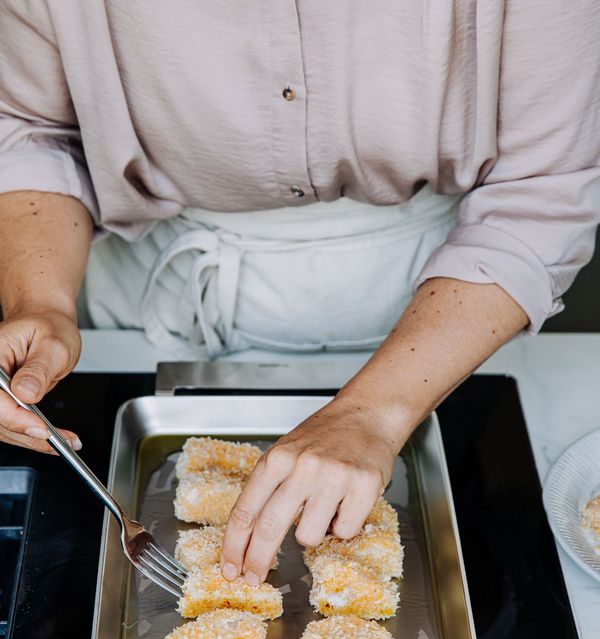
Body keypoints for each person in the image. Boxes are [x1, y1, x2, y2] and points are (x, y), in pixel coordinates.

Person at [0, 1, 598, 588]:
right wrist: (40, 301)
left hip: (453, 309)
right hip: (147, 295)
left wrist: (373, 412)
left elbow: (542, 192)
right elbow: (31, 131)